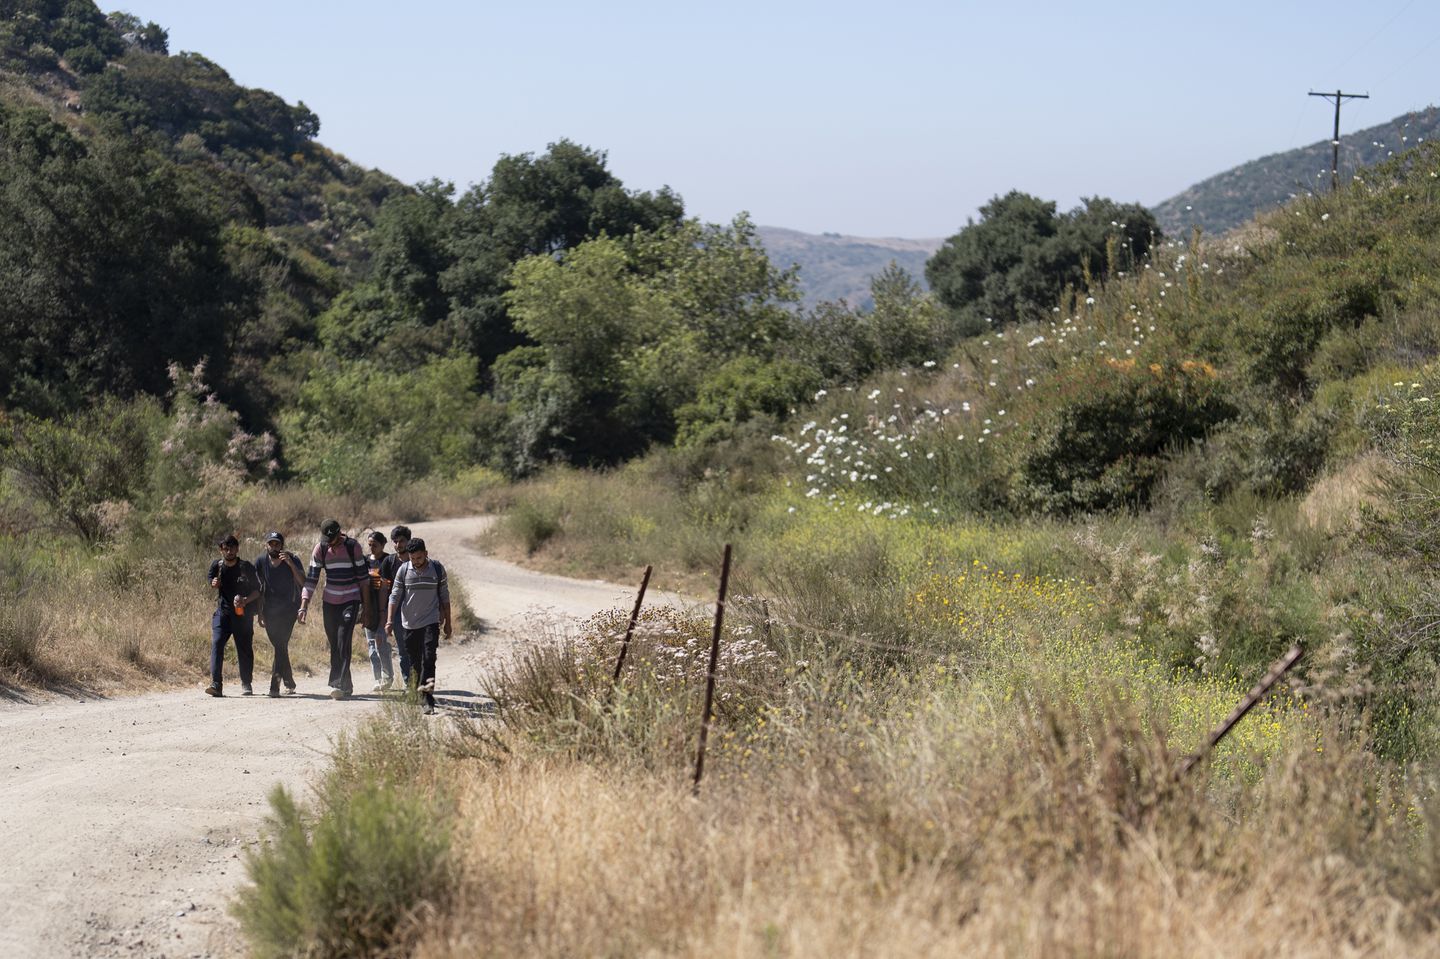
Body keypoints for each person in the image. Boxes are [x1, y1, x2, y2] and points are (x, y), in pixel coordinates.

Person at [298, 519, 372, 700]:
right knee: (335, 644)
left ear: (339, 533)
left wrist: (367, 609)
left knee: (342, 639)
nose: (329, 543)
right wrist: (303, 605)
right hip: (329, 602)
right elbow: (312, 579)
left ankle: (337, 684)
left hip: (351, 599)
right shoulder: (320, 549)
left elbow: (364, 580)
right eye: (326, 539)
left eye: (332, 539)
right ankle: (347, 684)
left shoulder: (352, 547)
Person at [386, 537, 451, 715]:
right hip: (409, 624)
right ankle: (415, 691)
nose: (416, 562)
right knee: (414, 662)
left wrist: (448, 624)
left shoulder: (437, 569)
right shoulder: (403, 570)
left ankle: (427, 699)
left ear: (426, 554)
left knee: (429, 658)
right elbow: (394, 596)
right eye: (413, 559)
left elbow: (445, 595)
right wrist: (390, 620)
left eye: (419, 558)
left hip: (431, 620)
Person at [205, 534, 260, 697]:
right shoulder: (217, 565)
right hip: (223, 614)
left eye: (232, 548)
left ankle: (246, 683)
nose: (229, 552)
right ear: (221, 550)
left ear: (237, 549)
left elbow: (258, 591)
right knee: (217, 644)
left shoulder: (246, 567)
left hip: (242, 615)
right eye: (225, 549)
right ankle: (216, 684)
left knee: (244, 649)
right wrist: (213, 583)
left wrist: (245, 600)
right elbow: (211, 579)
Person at [254, 531, 303, 697]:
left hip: (289, 610)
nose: (274, 547)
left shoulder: (292, 559)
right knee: (279, 646)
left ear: (282, 546)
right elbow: (258, 589)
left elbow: (303, 582)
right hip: (269, 611)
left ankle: (274, 686)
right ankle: (289, 681)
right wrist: (260, 612)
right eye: (271, 543)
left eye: (277, 544)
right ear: (266, 545)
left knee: (280, 644)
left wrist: (290, 564)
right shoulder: (260, 561)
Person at [379, 526, 413, 686]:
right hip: (397, 611)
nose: (398, 545)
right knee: (403, 650)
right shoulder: (389, 562)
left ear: (408, 542)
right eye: (395, 541)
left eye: (402, 541)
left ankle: (420, 683)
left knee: (417, 649)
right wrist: (384, 613)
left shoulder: (417, 560)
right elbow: (384, 589)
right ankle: (409, 684)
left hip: (416, 610)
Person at [362, 530, 395, 692]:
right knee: (371, 645)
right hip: (370, 608)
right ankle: (377, 678)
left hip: (385, 607)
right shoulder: (365, 561)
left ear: (383, 545)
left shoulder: (388, 560)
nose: (372, 548)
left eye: (375, 545)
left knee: (381, 643)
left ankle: (387, 677)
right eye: (369, 545)